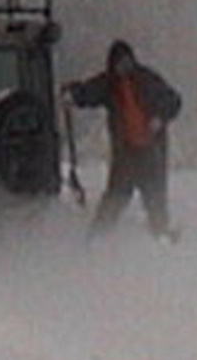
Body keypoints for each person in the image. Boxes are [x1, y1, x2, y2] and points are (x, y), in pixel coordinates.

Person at [64, 39, 182, 238]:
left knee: (155, 197)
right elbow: (89, 91)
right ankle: (98, 239)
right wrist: (73, 94)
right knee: (115, 197)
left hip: (150, 150)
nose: (123, 68)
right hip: (126, 152)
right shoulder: (109, 85)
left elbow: (173, 100)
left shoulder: (147, 80)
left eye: (126, 62)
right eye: (119, 63)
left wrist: (160, 117)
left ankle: (161, 235)